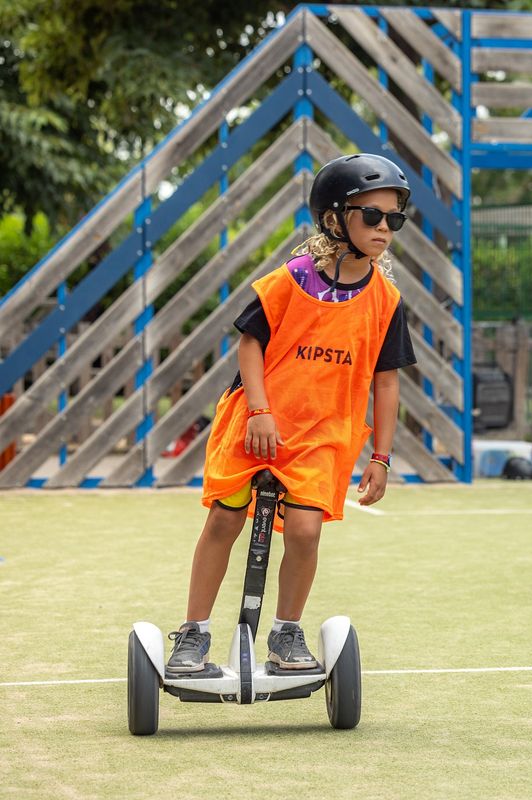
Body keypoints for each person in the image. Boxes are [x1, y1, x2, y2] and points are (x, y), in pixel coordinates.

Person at [166, 153, 417, 673]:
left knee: (305, 531)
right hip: (258, 422)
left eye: (394, 218)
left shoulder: (386, 300)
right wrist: (260, 411)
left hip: (323, 434)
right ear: (334, 217)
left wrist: (383, 457)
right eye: (372, 215)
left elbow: (386, 382)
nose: (385, 228)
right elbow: (250, 345)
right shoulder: (292, 279)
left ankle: (286, 634)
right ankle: (192, 635)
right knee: (224, 519)